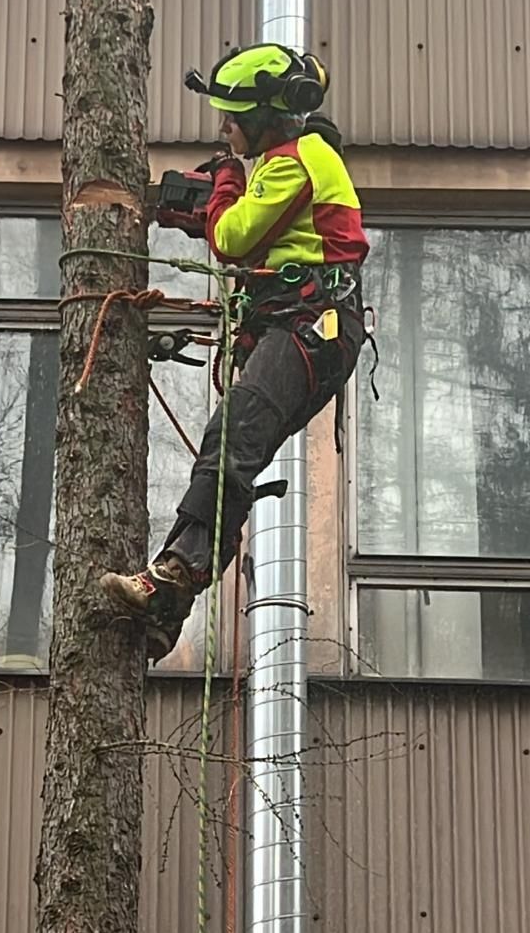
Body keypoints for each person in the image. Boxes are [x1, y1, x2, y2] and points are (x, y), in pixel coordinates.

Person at [101, 43, 370, 662]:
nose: (224, 128)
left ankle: (171, 576)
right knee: (236, 447)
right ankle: (169, 607)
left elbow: (230, 238)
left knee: (233, 435)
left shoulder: (292, 162)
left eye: (231, 118)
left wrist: (223, 182)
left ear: (264, 117)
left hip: (313, 325)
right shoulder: (296, 156)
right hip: (301, 323)